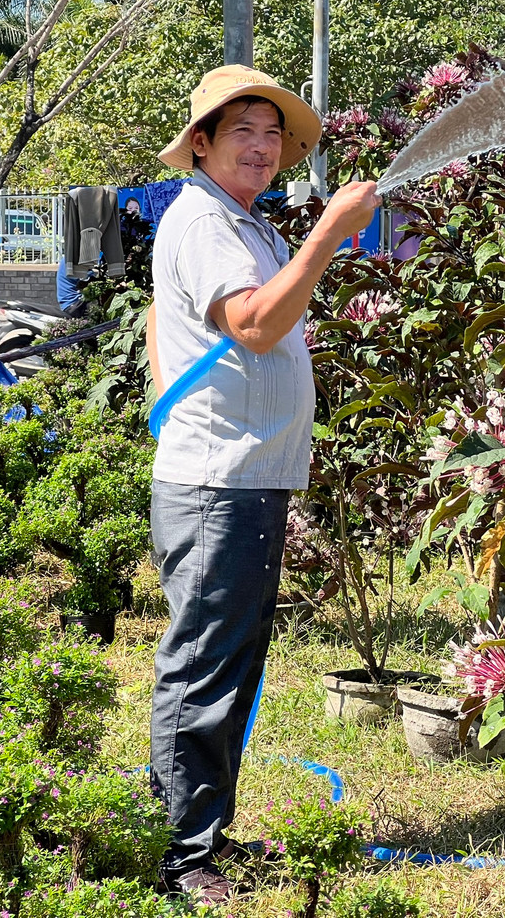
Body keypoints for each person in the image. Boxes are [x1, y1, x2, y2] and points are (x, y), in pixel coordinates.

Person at [145, 65, 379, 905]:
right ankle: (177, 851)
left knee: (232, 663)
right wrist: (328, 233)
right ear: (201, 143)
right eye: (241, 128)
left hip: (243, 477)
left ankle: (198, 827)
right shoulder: (206, 220)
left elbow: (161, 321)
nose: (261, 144)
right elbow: (251, 324)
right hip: (217, 482)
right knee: (206, 664)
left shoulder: (242, 224)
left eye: (273, 132)